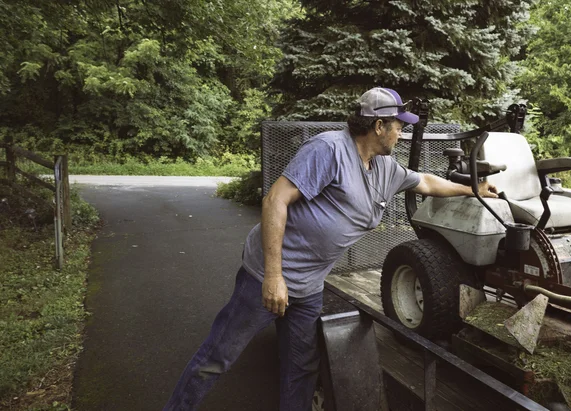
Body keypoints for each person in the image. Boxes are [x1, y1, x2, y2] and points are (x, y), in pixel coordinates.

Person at [163, 87, 498, 411]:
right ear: (378, 126)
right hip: (267, 276)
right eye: (398, 125)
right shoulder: (329, 150)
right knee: (218, 356)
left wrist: (474, 188)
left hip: (308, 286)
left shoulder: (384, 167)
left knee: (302, 367)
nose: (401, 132)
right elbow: (275, 200)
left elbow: (425, 182)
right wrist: (274, 276)